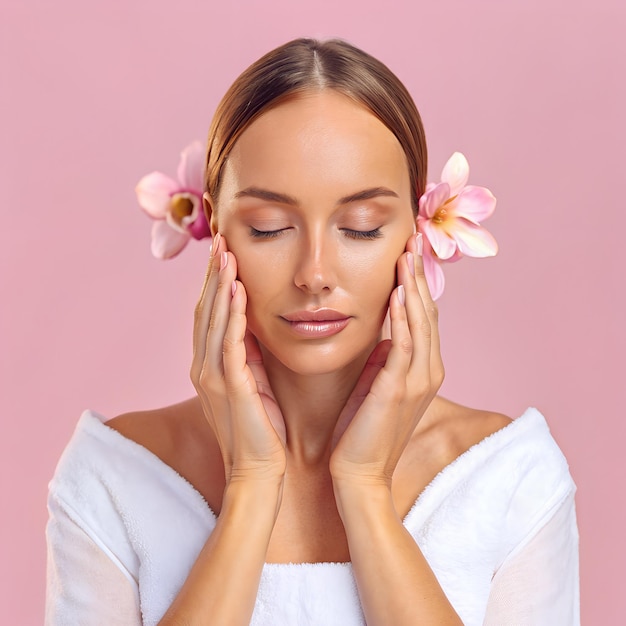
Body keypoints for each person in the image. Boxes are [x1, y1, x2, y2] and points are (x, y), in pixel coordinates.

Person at [45, 38, 579, 625]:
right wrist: (250, 488)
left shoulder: (511, 478)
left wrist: (367, 492)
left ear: (419, 230)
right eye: (270, 228)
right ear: (214, 227)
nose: (315, 275)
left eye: (362, 227)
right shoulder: (112, 478)